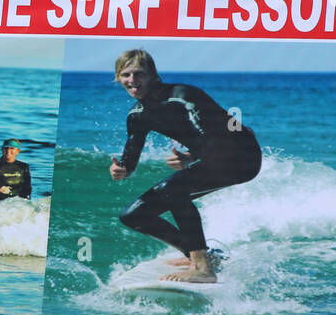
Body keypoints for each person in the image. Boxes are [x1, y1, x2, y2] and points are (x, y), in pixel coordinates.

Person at [107, 49, 262, 283]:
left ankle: (202, 268)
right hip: (212, 158)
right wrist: (121, 170)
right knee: (133, 215)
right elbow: (130, 160)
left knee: (174, 191)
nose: (132, 81)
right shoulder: (137, 115)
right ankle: (197, 254)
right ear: (118, 78)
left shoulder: (183, 96)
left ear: (153, 75)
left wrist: (190, 156)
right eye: (125, 75)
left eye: (138, 74)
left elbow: (216, 136)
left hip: (242, 155)